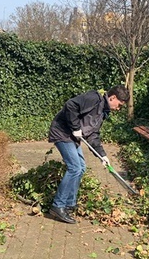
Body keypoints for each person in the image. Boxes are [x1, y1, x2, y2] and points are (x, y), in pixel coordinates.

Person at [47, 84, 130, 224]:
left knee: (81, 167)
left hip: (73, 137)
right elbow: (70, 105)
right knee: (74, 168)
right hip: (62, 132)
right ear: (113, 97)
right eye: (119, 105)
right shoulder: (94, 98)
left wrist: (102, 155)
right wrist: (75, 127)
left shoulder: (103, 112)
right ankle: (58, 206)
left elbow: (93, 135)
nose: (119, 108)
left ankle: (69, 204)